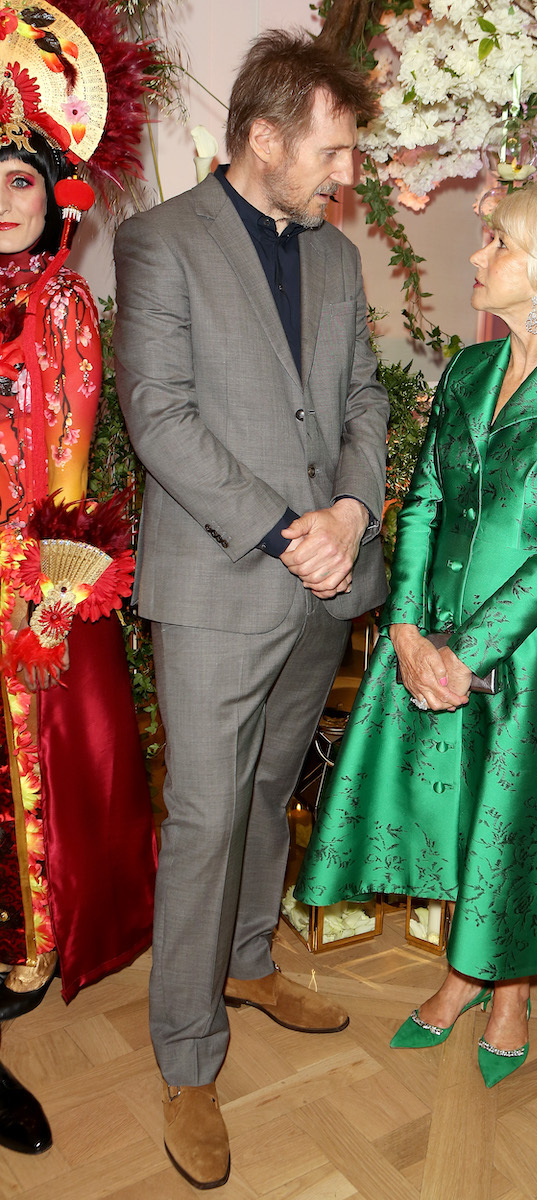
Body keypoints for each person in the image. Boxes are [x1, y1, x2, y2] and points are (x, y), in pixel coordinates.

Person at [113, 30, 389, 1190]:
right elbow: (159, 418)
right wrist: (287, 532)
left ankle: (244, 961)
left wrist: (350, 512)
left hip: (324, 582)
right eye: (330, 152)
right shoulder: (160, 241)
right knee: (208, 817)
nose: (343, 176)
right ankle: (186, 1056)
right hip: (223, 582)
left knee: (274, 792)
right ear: (263, 138)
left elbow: (365, 399)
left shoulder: (333, 256)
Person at [297, 179, 537, 1088]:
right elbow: (426, 502)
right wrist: (406, 628)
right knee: (457, 811)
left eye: (498, 245)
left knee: (514, 817)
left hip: (527, 651)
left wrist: (465, 653)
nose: (477, 256)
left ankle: (510, 991)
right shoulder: (466, 370)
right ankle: (459, 974)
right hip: (433, 634)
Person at [0, 5, 156, 1023]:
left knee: (37, 758)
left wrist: (44, 585)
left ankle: (37, 940)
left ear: (55, 193)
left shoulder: (65, 307)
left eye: (17, 179)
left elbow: (68, 465)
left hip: (21, 562)